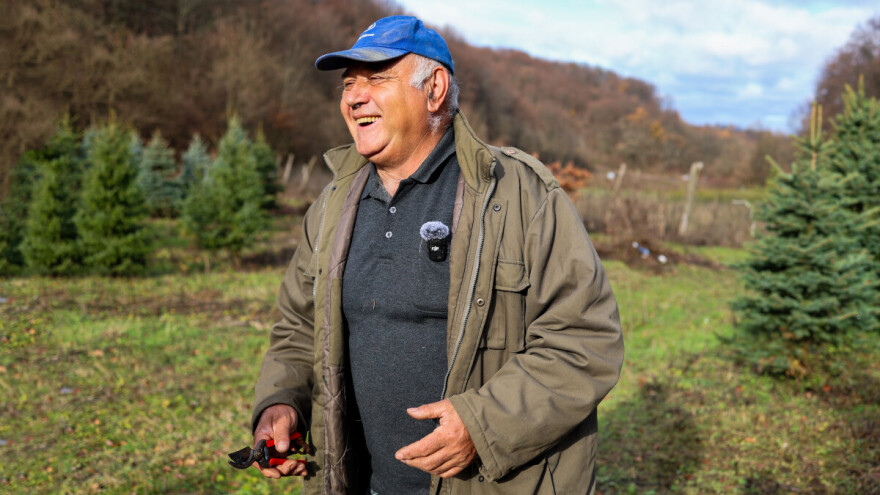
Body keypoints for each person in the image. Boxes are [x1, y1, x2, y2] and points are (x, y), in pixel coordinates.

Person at [248, 15, 624, 495]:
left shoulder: (521, 195)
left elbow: (585, 340)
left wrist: (483, 425)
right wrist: (281, 404)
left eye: (376, 79)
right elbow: (299, 329)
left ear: (434, 89)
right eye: (348, 85)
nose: (354, 97)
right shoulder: (330, 207)